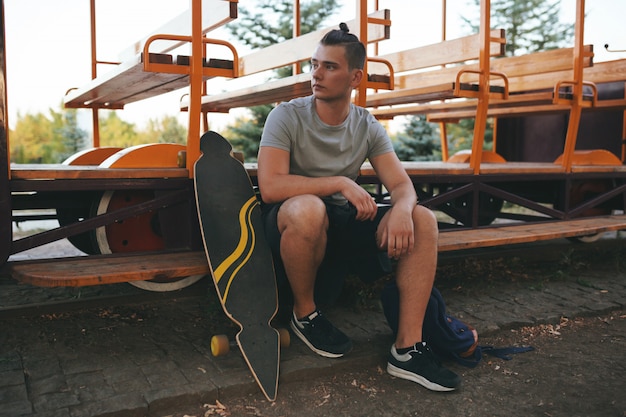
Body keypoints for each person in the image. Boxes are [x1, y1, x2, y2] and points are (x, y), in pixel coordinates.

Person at [257, 23, 461, 392]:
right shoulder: (286, 116)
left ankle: (407, 349)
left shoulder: (366, 125)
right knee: (308, 209)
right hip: (290, 227)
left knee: (423, 219)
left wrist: (401, 209)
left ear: (355, 77)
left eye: (329, 67)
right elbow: (270, 187)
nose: (316, 74)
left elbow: (401, 186)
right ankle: (304, 315)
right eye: (314, 64)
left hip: (341, 225)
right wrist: (339, 182)